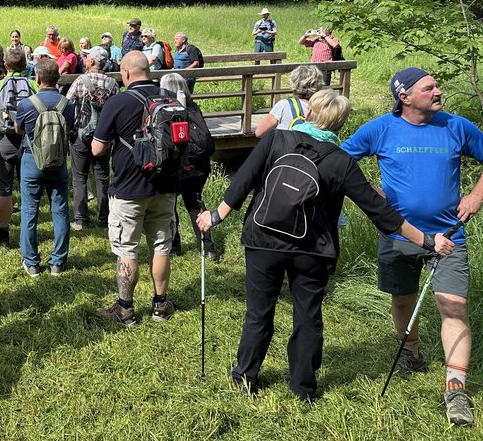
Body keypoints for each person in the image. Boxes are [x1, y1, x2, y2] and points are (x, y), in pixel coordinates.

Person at [198, 88, 452, 403]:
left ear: (308, 113)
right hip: (312, 249)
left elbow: (242, 183)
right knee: (308, 315)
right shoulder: (340, 161)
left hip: (263, 241)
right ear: (340, 125)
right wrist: (428, 240)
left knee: (258, 313)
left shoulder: (275, 140)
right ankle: (303, 387)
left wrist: (215, 217)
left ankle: (245, 376)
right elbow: (381, 213)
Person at [342, 67, 483, 425]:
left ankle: (456, 388)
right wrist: (372, 196)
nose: (438, 91)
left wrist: (476, 195)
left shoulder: (457, 126)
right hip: (399, 236)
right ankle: (411, 351)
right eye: (429, 87)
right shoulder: (380, 129)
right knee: (402, 298)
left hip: (450, 236)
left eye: (437, 85)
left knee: (453, 306)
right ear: (404, 96)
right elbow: (341, 162)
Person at [92, 51, 178, 324]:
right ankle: (160, 305)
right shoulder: (170, 99)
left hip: (129, 187)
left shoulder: (118, 102)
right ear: (149, 71)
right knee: (161, 245)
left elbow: (97, 149)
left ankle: (126, 309)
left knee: (127, 249)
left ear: (126, 73)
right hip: (165, 185)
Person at [14, 57, 74, 277]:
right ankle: (57, 261)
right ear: (57, 78)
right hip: (58, 162)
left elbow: (18, 130)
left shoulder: (26, 104)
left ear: (37, 78)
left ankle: (31, 262)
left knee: (29, 212)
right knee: (60, 210)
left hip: (32, 160)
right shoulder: (68, 105)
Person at [0, 48, 37, 248]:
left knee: (4, 190)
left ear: (6, 66)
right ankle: (30, 232)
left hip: (3, 140)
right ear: (25, 65)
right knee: (28, 188)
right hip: (29, 141)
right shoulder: (32, 84)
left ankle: (3, 232)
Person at [161, 73, 216, 260]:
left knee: (171, 205)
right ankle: (207, 248)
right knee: (194, 205)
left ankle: (174, 246)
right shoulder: (193, 107)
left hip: (179, 165)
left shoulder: (167, 109)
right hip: (199, 166)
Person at [66, 46, 117, 230]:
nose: (85, 60)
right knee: (102, 177)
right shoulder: (112, 84)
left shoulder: (81, 81)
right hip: (104, 138)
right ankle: (105, 219)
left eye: (87, 58)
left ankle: (81, 220)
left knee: (79, 177)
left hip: (81, 136)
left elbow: (68, 104)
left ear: (93, 61)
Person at [254, 65, 324, 138]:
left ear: (294, 82)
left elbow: (259, 132)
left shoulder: (284, 105)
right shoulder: (325, 106)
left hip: (287, 147)